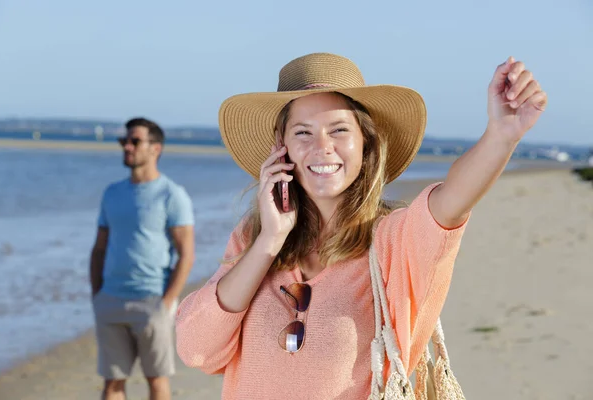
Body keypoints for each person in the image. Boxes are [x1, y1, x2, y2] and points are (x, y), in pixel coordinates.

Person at [175, 53, 547, 399]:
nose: (322, 147)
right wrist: (270, 241)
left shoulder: (391, 241)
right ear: (281, 147)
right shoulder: (252, 238)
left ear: (365, 143)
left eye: (339, 130)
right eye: (303, 132)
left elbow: (449, 206)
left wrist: (501, 135)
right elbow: (195, 349)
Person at [89, 117, 195, 400]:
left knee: (157, 382)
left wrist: (166, 303)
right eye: (125, 141)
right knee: (112, 384)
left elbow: (186, 254)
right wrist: (97, 295)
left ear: (155, 148)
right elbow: (98, 249)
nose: (127, 146)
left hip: (151, 300)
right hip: (110, 299)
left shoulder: (172, 195)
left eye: (135, 141)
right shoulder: (112, 193)